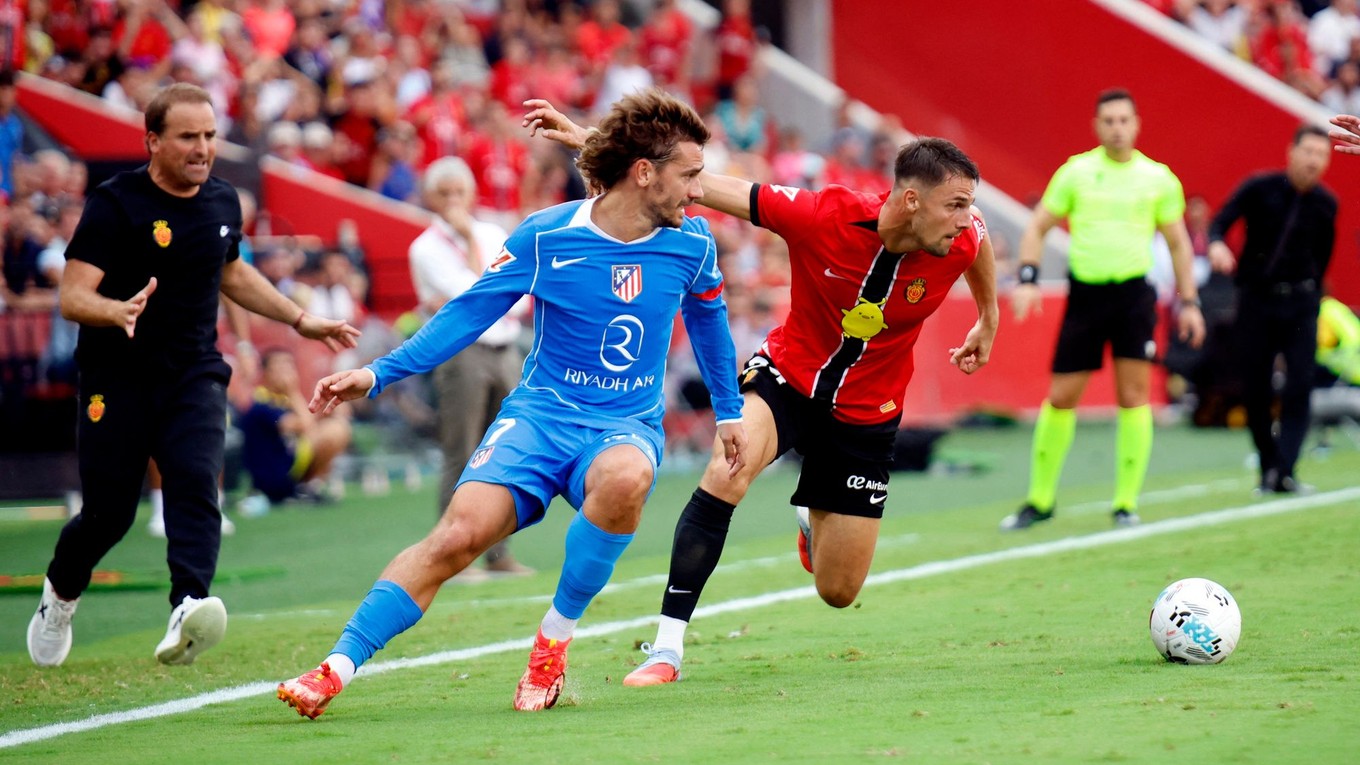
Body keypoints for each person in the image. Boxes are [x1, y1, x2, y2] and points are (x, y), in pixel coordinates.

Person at [276, 89, 746, 719]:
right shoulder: (547, 236)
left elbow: (710, 323)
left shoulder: (694, 244)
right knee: (455, 538)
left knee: (626, 477)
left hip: (623, 424)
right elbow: (467, 313)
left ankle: (552, 642)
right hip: (539, 419)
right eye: (690, 176)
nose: (699, 191)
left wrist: (728, 410)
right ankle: (334, 668)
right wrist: (377, 373)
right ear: (644, 173)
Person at [523, 98, 999, 686]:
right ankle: (666, 647)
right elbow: (703, 186)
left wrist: (989, 318)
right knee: (728, 468)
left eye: (968, 206)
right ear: (910, 201)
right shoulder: (822, 215)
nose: (965, 219)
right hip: (789, 378)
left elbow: (981, 241)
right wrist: (595, 141)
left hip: (868, 411)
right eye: (955, 204)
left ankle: (810, 520)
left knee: (838, 590)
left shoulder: (960, 237)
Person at [25, 83, 360, 669]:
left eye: (209, 135)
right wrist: (116, 311)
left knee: (197, 481)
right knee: (108, 514)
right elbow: (74, 296)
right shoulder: (115, 203)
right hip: (117, 375)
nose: (203, 148)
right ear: (153, 141)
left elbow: (231, 273)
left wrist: (299, 318)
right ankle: (60, 596)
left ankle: (188, 605)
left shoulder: (223, 201)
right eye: (188, 137)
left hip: (194, 372)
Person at [1002, 88, 1205, 532]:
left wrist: (1189, 302)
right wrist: (1028, 278)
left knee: (1133, 396)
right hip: (1086, 298)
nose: (1117, 128)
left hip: (1133, 298)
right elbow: (1037, 226)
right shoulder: (1076, 172)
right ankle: (1040, 500)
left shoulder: (1158, 178)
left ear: (1137, 125)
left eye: (1124, 120)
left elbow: (1178, 244)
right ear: (1097, 126)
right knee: (1061, 396)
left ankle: (1125, 503)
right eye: (1109, 121)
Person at [409, 156, 532, 578]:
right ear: (430, 198)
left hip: (504, 348)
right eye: (443, 193)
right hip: (462, 352)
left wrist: (481, 273)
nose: (453, 201)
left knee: (506, 451)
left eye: (459, 192)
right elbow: (480, 291)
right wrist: (468, 244)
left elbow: (519, 293)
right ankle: (453, 556)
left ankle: (499, 553)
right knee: (461, 452)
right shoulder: (425, 247)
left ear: (472, 194)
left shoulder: (492, 232)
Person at [1207, 125, 1336, 494]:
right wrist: (1216, 245)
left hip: (1301, 303)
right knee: (1255, 386)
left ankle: (1285, 470)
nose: (1313, 161)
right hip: (1257, 300)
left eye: (1321, 155)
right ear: (1291, 152)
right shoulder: (1258, 188)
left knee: (1300, 384)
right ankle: (1268, 464)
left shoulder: (1326, 204)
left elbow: (1324, 254)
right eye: (1308, 152)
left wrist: (1312, 295)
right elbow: (1219, 224)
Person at [237, 347, 353, 505]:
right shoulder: (261, 402)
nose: (286, 371)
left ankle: (310, 486)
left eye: (289, 365)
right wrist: (293, 391)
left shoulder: (283, 401)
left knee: (338, 423)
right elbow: (307, 428)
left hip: (290, 465)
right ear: (265, 372)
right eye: (279, 366)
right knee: (334, 431)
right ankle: (305, 488)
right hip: (274, 477)